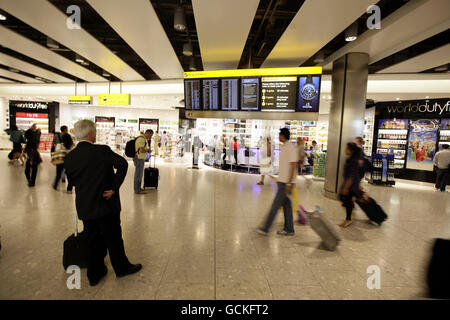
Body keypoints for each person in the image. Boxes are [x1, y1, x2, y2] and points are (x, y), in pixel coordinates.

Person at [64, 120, 142, 286]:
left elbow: (72, 181)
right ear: (91, 133)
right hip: (106, 204)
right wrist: (113, 188)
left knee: (91, 239)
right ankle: (121, 268)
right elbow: (122, 165)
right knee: (113, 238)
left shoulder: (70, 157)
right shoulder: (102, 150)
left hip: (86, 205)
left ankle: (95, 273)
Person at [258, 128, 298, 236]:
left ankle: (265, 228)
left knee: (275, 206)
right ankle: (289, 229)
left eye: (280, 134)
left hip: (286, 184)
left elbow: (294, 166)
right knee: (287, 206)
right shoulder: (284, 147)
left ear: (283, 135)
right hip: (283, 181)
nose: (278, 136)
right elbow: (286, 165)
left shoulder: (291, 148)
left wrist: (289, 183)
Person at [339, 142, 363, 228]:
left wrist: (346, 187)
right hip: (348, 183)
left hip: (351, 185)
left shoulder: (354, 161)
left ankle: (348, 219)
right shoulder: (349, 159)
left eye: (347, 148)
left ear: (351, 151)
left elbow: (351, 176)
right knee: (342, 198)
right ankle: (350, 209)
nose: (345, 150)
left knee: (346, 200)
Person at [52, 126, 74, 192]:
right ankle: (69, 188)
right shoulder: (71, 146)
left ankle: (55, 185)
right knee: (70, 174)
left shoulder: (59, 145)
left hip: (60, 160)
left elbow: (56, 150)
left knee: (58, 173)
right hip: (69, 161)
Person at [134, 129, 153, 195]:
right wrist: (148, 150)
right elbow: (141, 150)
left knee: (139, 174)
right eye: (150, 135)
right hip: (139, 158)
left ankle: (138, 188)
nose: (150, 137)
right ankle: (137, 190)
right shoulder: (141, 139)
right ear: (148, 133)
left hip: (140, 158)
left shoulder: (142, 138)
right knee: (138, 175)